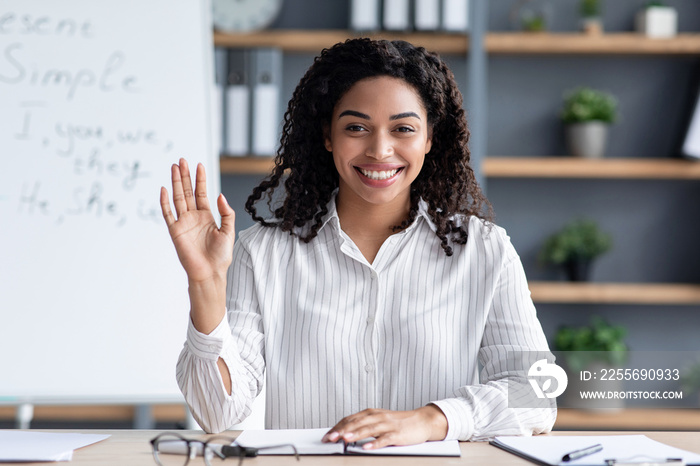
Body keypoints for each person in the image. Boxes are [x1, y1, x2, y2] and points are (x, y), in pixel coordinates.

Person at [160, 38, 556, 446]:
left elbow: (537, 396)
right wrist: (205, 283)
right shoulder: (261, 253)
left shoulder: (485, 249)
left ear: (430, 139)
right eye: (356, 127)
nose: (380, 149)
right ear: (328, 136)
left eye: (403, 129)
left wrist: (430, 420)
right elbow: (215, 413)